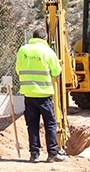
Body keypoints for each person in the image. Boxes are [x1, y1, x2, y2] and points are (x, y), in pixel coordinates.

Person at [15, 29, 67, 162]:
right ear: (45, 38)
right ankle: (52, 153)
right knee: (50, 123)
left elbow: (18, 69)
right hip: (44, 94)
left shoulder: (23, 50)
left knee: (32, 124)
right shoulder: (48, 51)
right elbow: (57, 71)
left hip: (28, 93)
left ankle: (34, 154)